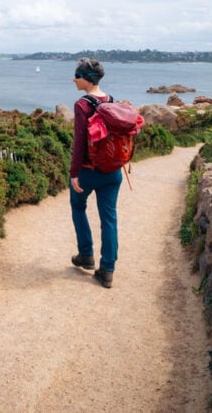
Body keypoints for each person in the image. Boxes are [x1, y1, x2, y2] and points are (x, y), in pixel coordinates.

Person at [69, 57, 123, 289]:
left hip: (89, 171)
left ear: (87, 80)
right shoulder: (111, 100)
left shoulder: (82, 105)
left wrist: (74, 173)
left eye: (77, 76)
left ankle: (86, 255)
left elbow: (79, 142)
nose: (74, 79)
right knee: (109, 218)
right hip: (113, 171)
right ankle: (107, 270)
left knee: (78, 207)